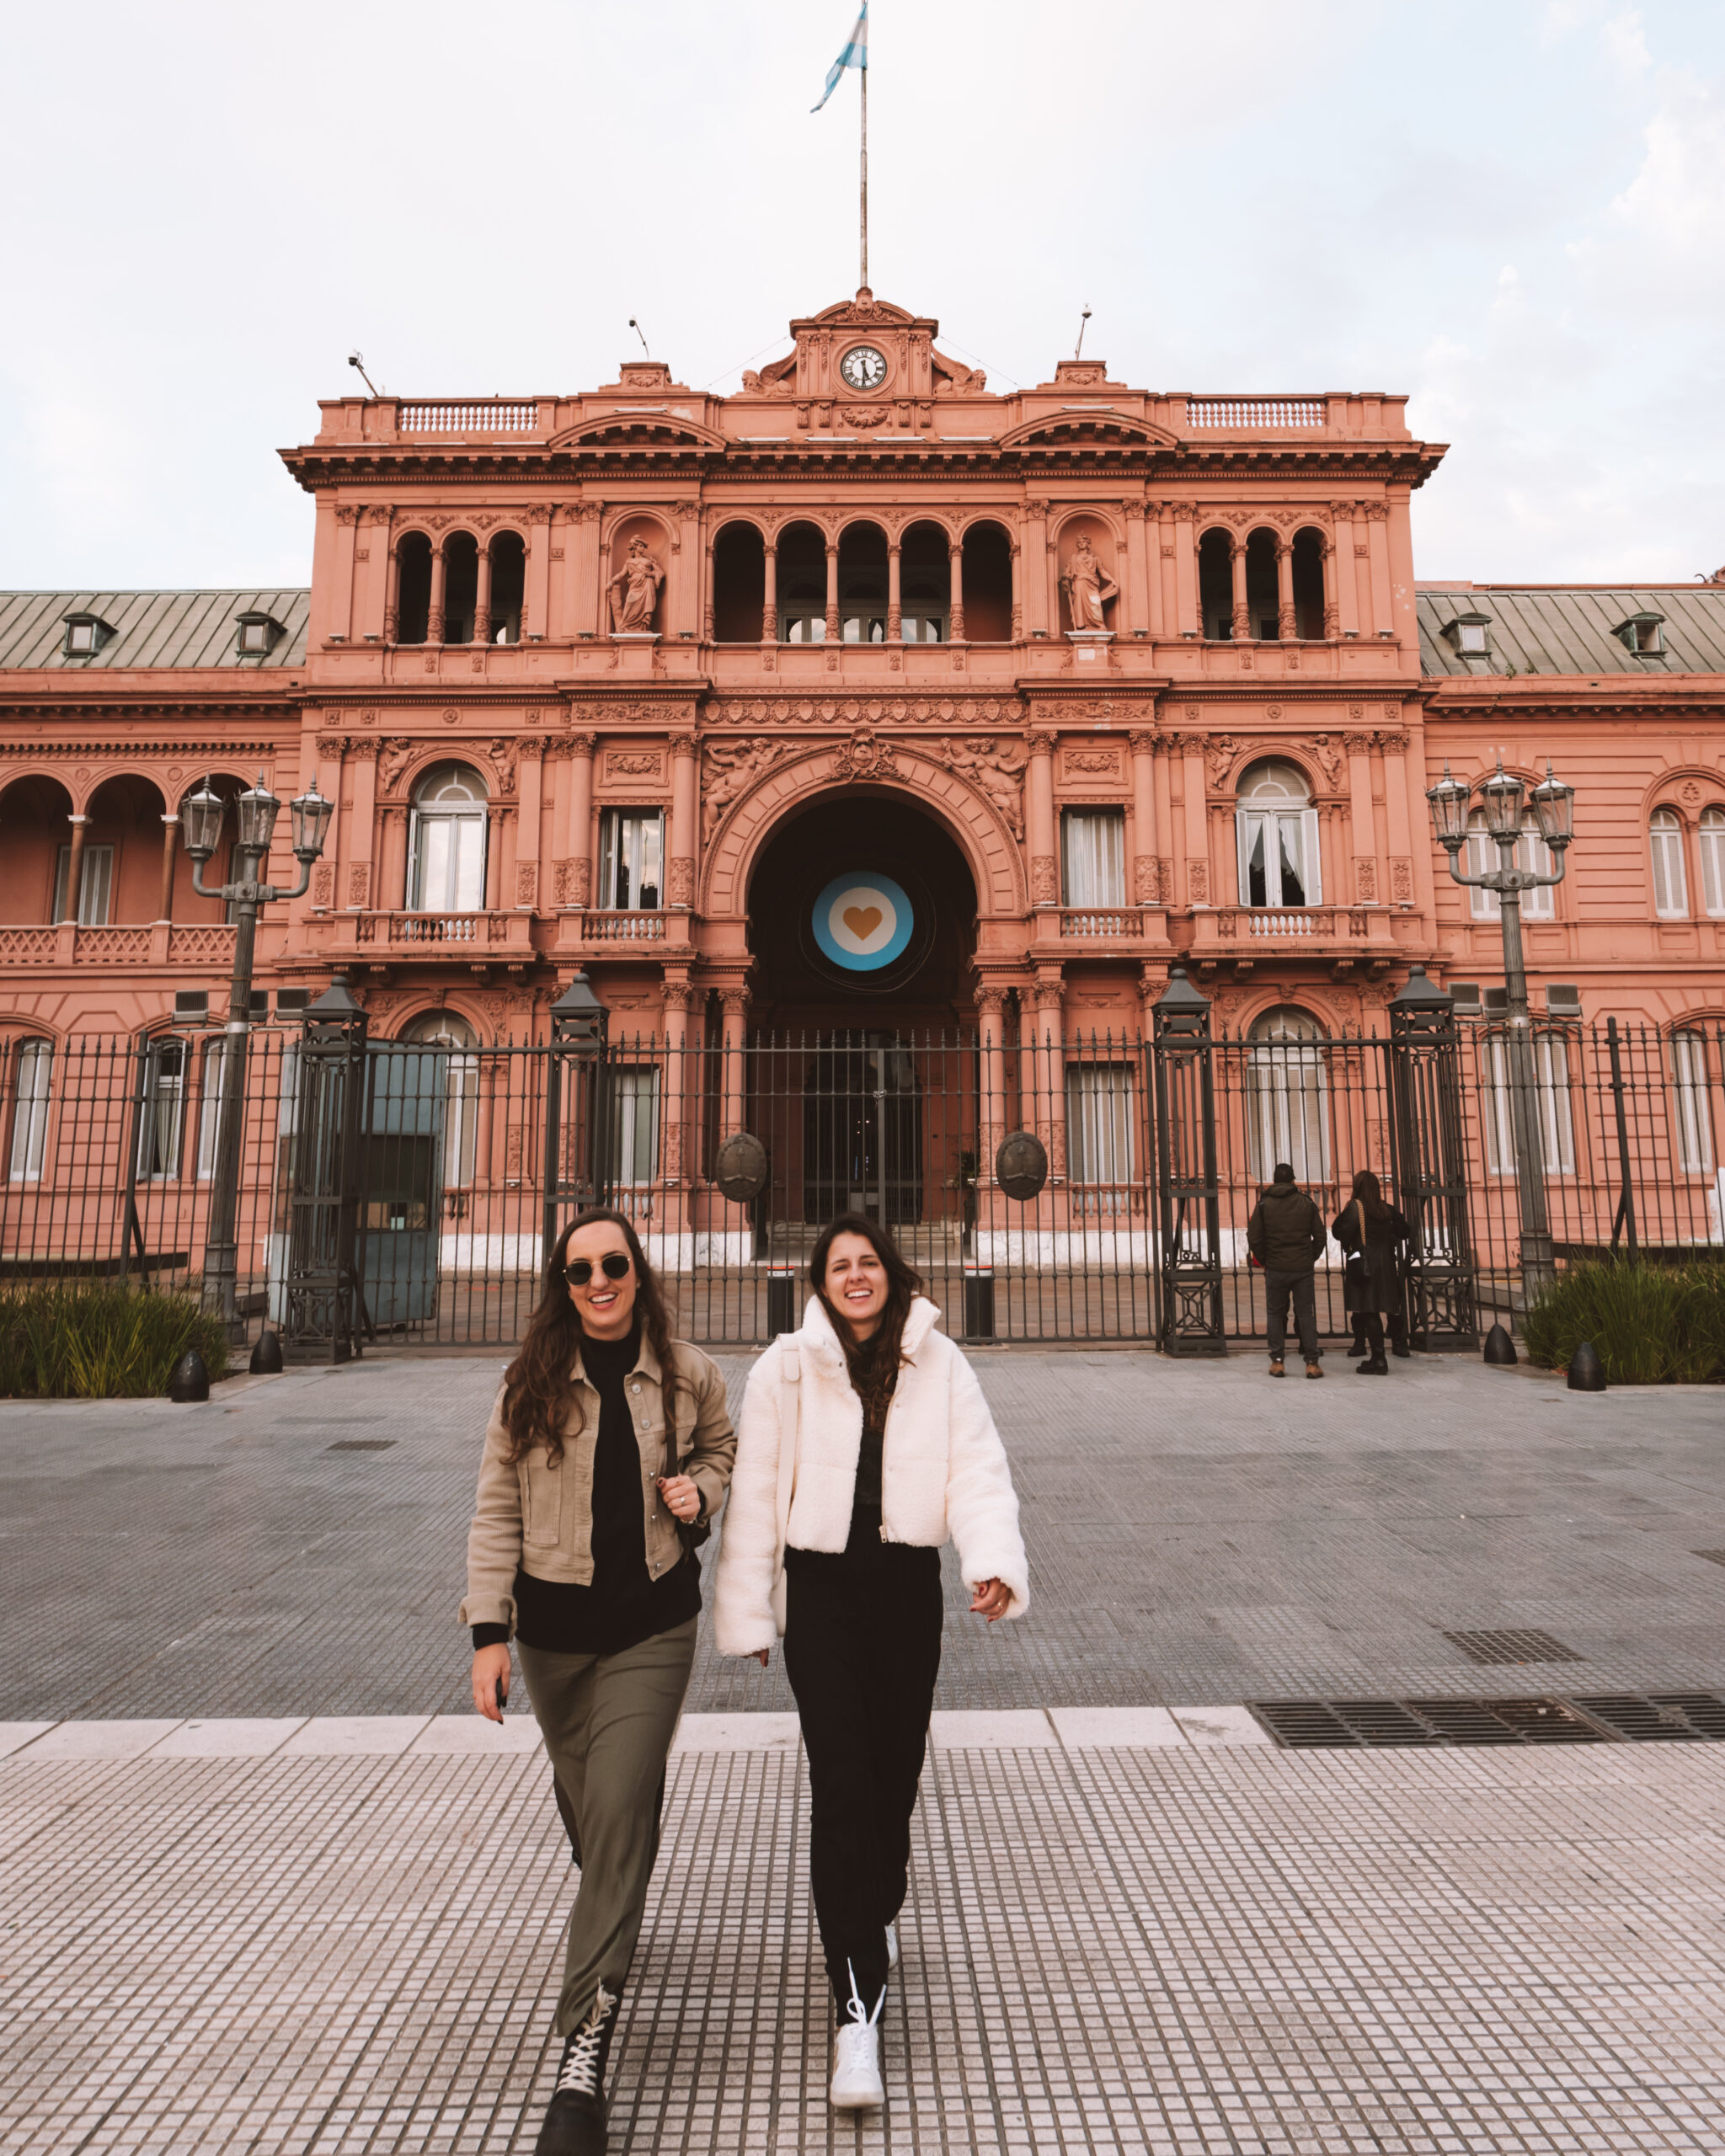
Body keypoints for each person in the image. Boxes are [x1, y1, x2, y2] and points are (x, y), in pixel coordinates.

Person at [713, 1213, 1028, 2114]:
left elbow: (976, 1468)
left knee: (892, 1779)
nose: (855, 1277)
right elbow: (756, 1494)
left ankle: (873, 1896)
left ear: (890, 1272)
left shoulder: (938, 1359)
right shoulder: (784, 1367)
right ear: (819, 1281)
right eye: (838, 1266)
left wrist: (992, 1558)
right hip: (821, 1599)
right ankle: (855, 2001)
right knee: (843, 1781)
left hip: (903, 1592)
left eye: (867, 1263)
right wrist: (748, 1608)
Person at [462, 1207, 736, 2156]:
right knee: (595, 1820)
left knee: (619, 1802)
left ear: (637, 1270)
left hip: (653, 1624)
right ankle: (608, 1897)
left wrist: (701, 1491)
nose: (599, 1281)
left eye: (614, 1263)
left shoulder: (686, 1368)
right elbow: (495, 1507)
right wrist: (488, 1634)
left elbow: (722, 1449)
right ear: (561, 1283)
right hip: (553, 1643)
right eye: (579, 1270)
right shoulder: (529, 1383)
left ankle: (582, 2051)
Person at [1246, 1161, 1327, 1379]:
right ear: (1293, 1180)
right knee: (1305, 1314)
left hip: (1276, 1267)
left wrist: (1266, 1259)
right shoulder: (1306, 1203)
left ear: (1274, 1180)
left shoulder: (1264, 1205)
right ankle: (1311, 1363)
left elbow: (1253, 1237)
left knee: (1275, 1313)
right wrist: (1310, 1257)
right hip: (1302, 1268)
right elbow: (1320, 1236)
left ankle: (1278, 1361)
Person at [1331, 1170, 1413, 1374]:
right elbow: (1404, 1230)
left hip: (1365, 1263)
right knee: (1382, 1307)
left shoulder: (1356, 1207)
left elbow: (1341, 1233)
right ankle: (1390, 1347)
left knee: (1369, 1310)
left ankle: (1378, 1359)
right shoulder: (1385, 1208)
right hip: (1385, 1262)